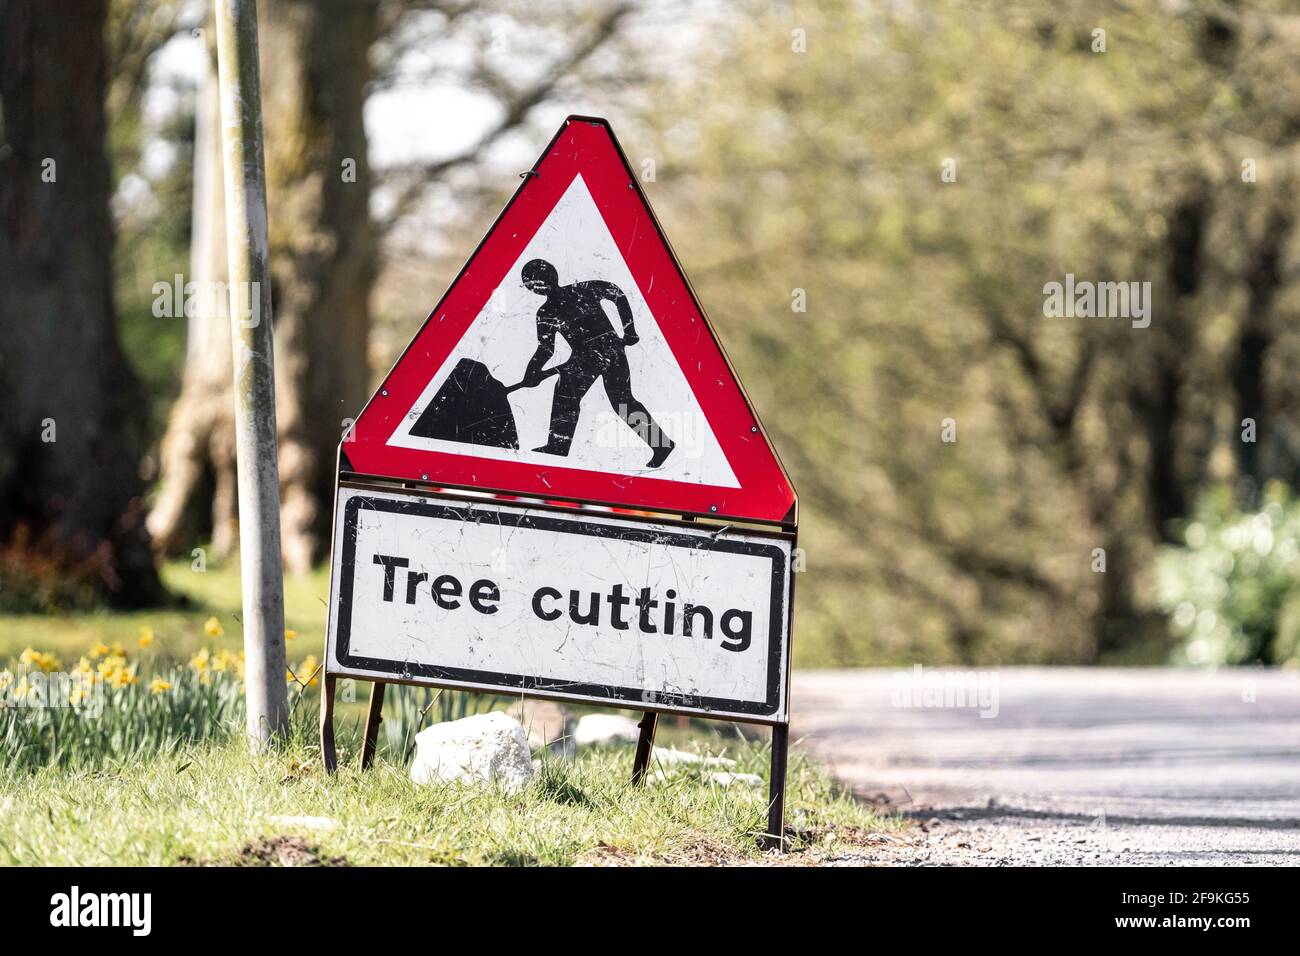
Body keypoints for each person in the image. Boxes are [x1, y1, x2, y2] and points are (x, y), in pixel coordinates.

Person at [519, 258, 674, 467]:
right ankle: (558, 447)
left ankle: (558, 447)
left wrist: (629, 330)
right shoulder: (549, 311)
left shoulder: (579, 291)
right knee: (614, 400)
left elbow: (616, 293)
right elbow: (545, 349)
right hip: (592, 354)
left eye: (533, 282)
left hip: (604, 351)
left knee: (592, 397)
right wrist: (532, 372)